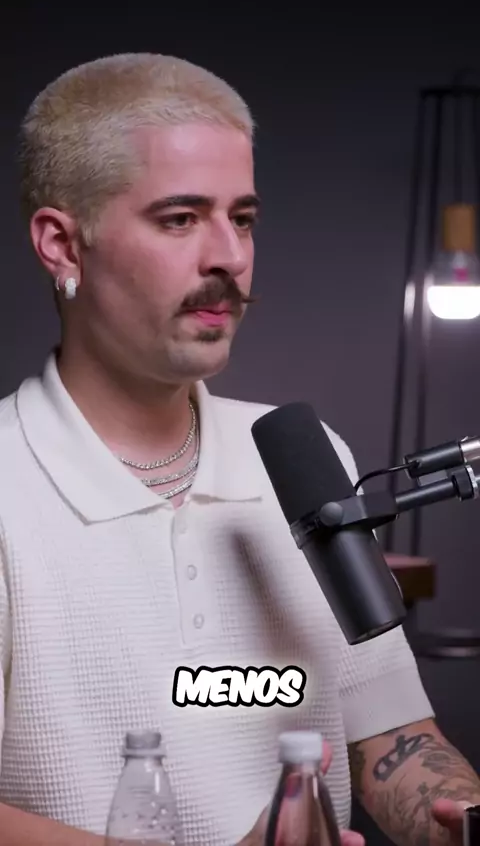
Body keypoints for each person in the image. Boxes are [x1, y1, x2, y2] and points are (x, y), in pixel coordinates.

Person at [0, 51, 477, 846]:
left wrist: (459, 821)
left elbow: (392, 736)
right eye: (180, 219)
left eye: (243, 218)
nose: (230, 256)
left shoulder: (305, 458)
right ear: (63, 246)